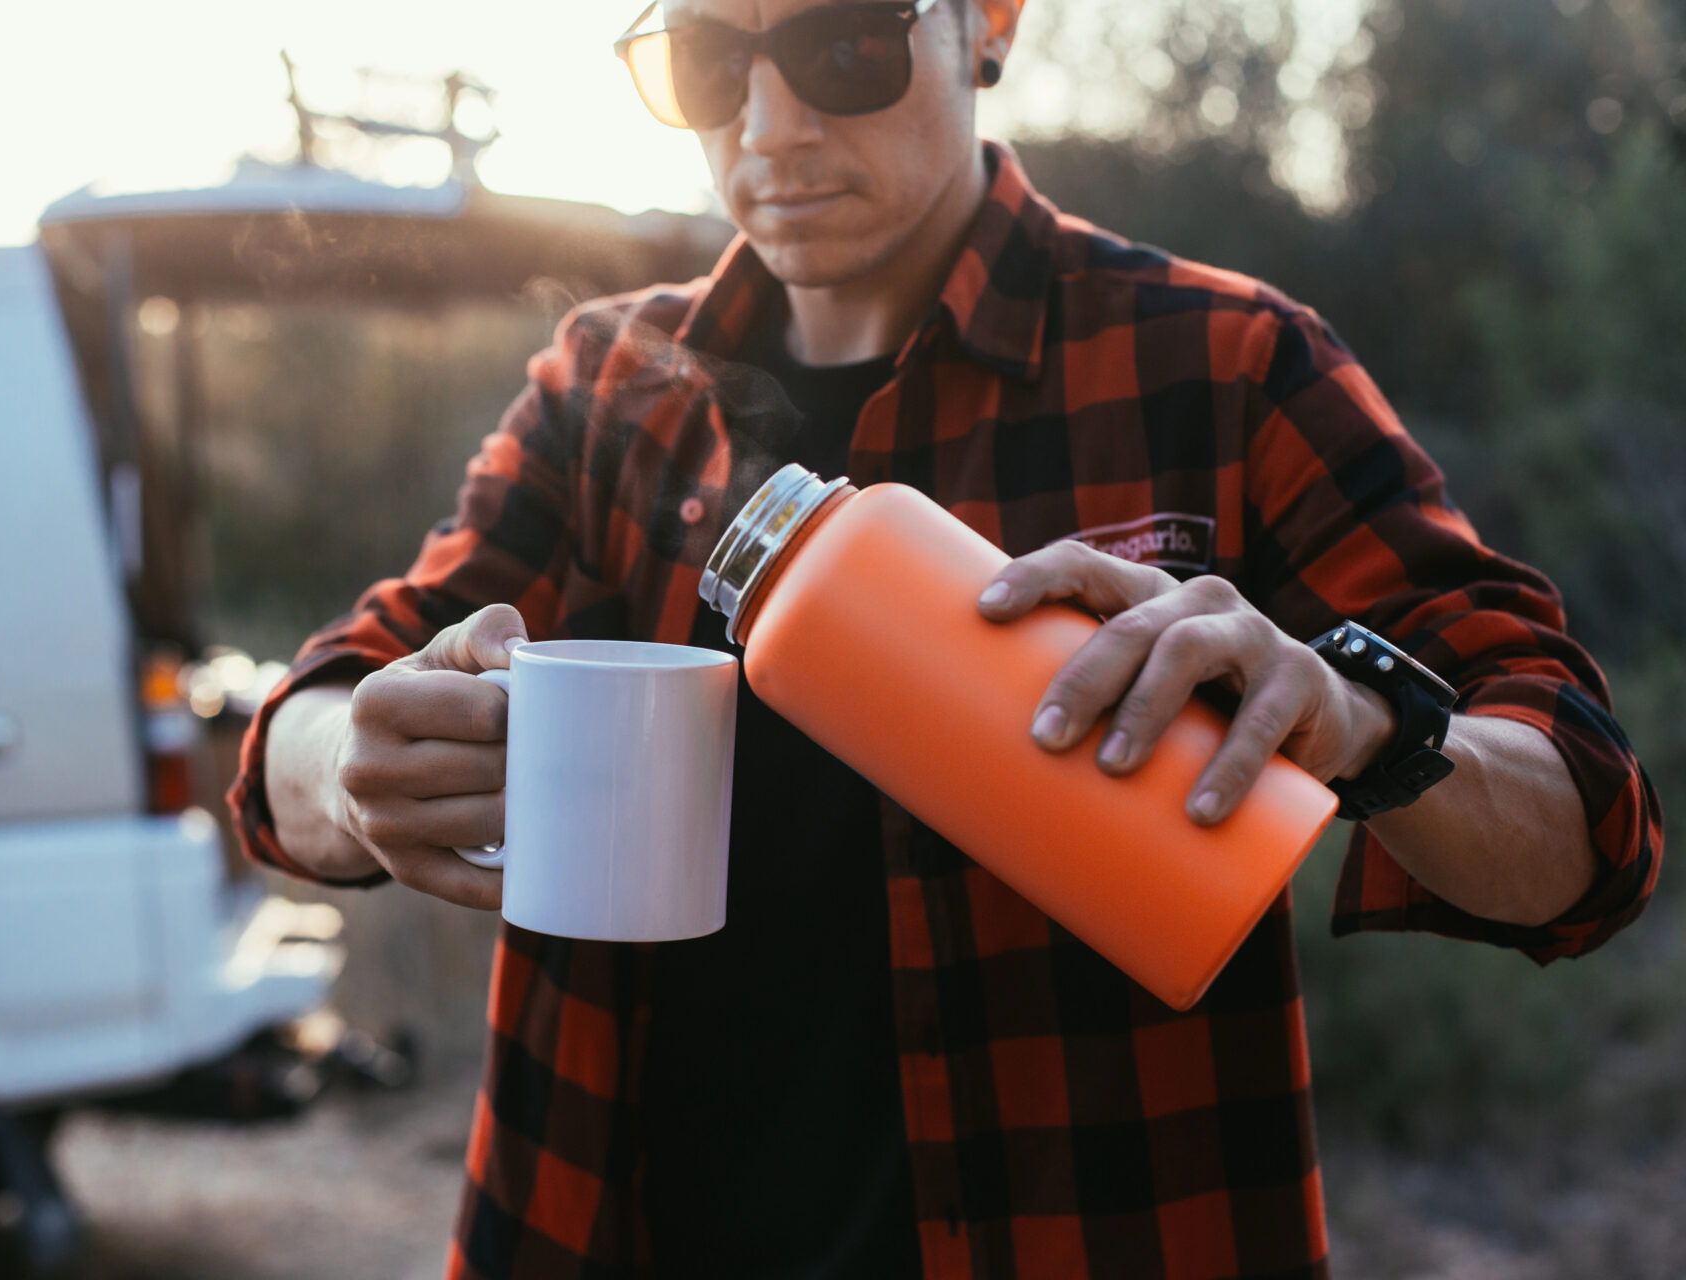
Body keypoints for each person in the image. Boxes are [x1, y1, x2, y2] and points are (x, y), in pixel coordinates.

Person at [228, 0, 1665, 1275]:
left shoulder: (1223, 367)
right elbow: (316, 713)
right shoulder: (608, 389)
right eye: (707, 61)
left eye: (844, 46)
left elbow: (1590, 833)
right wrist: (351, 767)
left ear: (992, 21)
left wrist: (1363, 723)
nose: (768, 126)